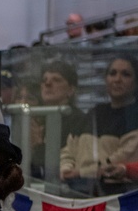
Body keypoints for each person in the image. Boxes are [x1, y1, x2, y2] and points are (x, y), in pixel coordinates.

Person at [59, 55, 138, 195]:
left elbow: (117, 164)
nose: (117, 79)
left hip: (116, 197)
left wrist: (80, 172)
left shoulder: (134, 115)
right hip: (77, 192)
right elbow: (69, 149)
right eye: (112, 73)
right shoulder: (94, 112)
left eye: (125, 74)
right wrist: (66, 169)